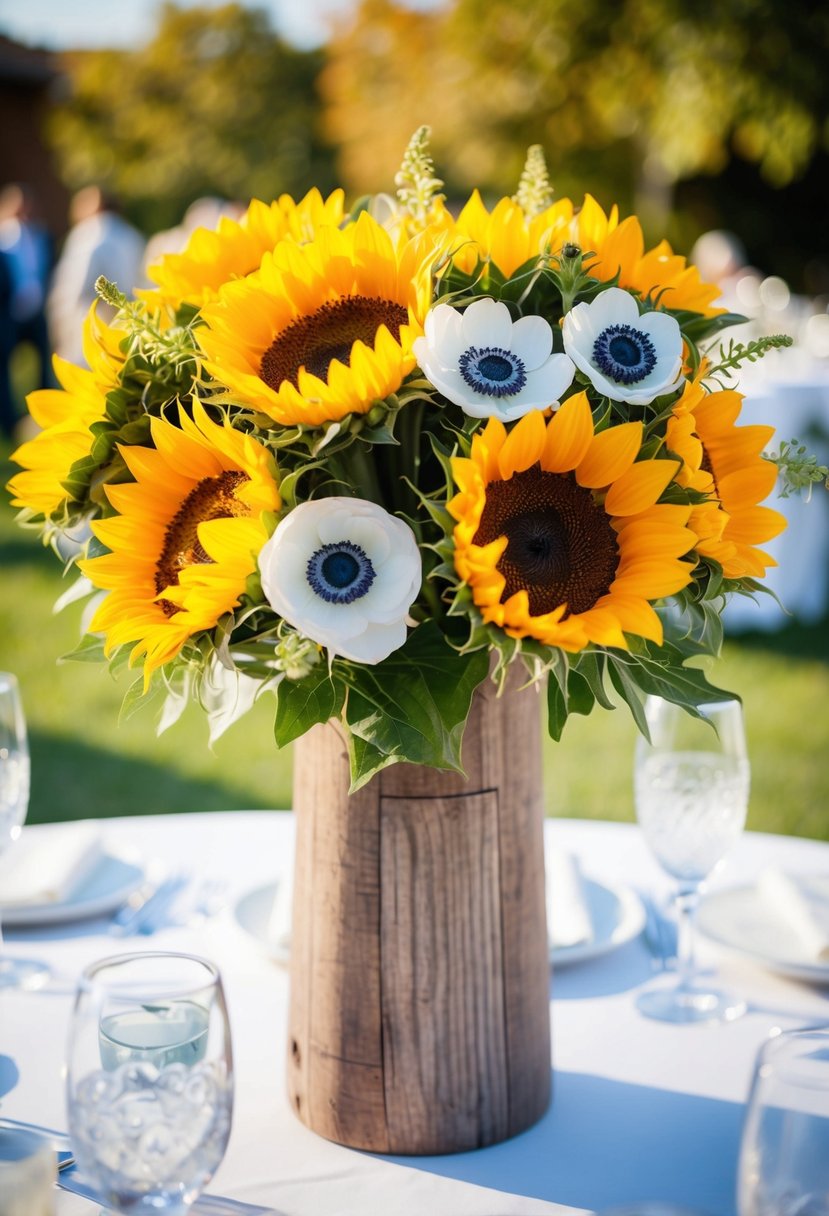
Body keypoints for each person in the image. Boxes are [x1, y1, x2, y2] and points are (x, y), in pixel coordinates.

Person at [48, 185, 146, 366]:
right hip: (130, 325)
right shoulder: (132, 234)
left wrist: (58, 326)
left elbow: (74, 289)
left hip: (92, 325)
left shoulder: (87, 234)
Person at [0, 183, 54, 439]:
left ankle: (44, 415)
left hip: (36, 312)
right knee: (5, 367)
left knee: (44, 364)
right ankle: (9, 422)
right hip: (7, 313)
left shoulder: (40, 235)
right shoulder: (3, 236)